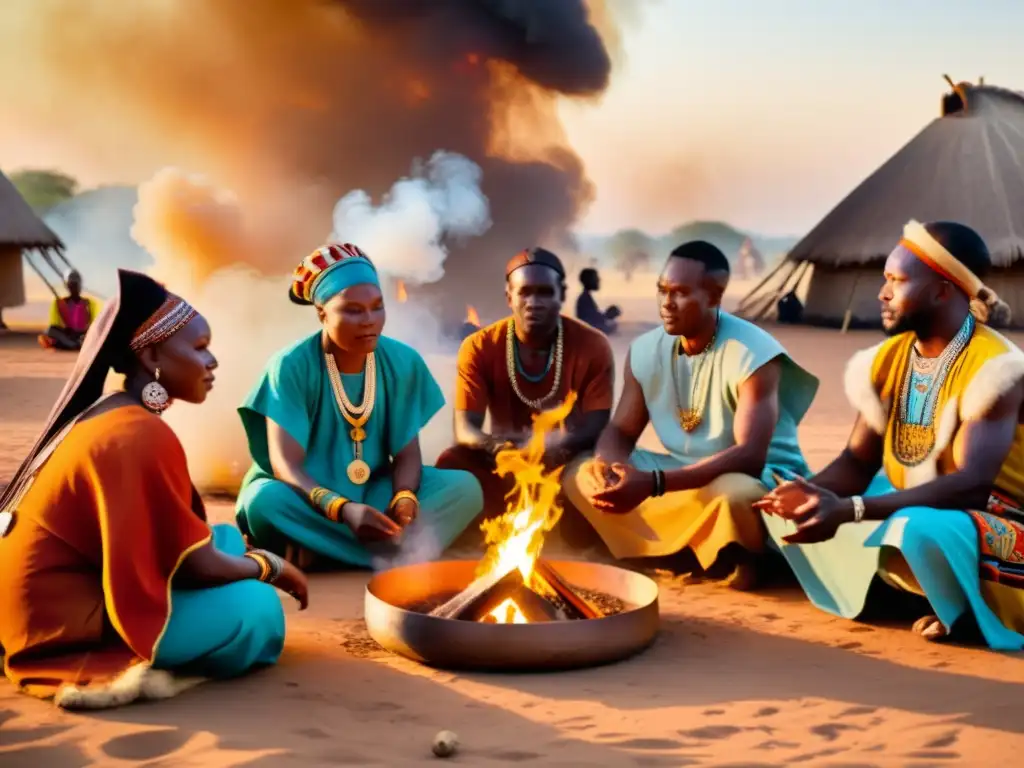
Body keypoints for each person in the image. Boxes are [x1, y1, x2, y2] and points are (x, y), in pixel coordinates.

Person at [0, 269, 303, 708]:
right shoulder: (138, 433)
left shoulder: (115, 410)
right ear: (152, 355)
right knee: (258, 610)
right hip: (60, 623)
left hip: (37, 601)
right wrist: (272, 567)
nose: (213, 361)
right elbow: (197, 567)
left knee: (226, 539)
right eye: (200, 348)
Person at [757, 220, 1024, 648]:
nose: (882, 293)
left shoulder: (997, 369)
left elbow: (971, 485)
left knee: (912, 528)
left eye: (896, 281)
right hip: (923, 506)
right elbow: (857, 461)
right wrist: (809, 493)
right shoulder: (887, 358)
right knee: (794, 508)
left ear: (941, 290)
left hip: (1001, 525)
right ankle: (907, 589)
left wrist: (852, 510)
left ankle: (969, 613)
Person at [564, 241, 819, 586]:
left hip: (756, 475)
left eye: (681, 293)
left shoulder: (754, 354)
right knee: (580, 473)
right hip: (680, 473)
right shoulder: (645, 351)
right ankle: (693, 552)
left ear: (714, 296)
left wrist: (652, 484)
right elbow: (621, 431)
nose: (667, 303)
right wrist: (609, 469)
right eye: (662, 290)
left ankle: (731, 555)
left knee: (736, 496)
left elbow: (749, 455)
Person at [235, 243, 483, 569]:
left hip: (374, 493)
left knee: (466, 488)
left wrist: (404, 498)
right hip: (306, 496)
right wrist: (342, 509)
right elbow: (286, 467)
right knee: (263, 503)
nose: (369, 320)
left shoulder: (402, 361)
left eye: (377, 307)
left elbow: (407, 455)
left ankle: (324, 550)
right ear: (322, 313)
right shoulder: (290, 366)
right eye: (353, 310)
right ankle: (396, 552)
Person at [435, 247, 615, 532]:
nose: (534, 302)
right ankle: (487, 530)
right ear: (509, 297)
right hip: (503, 459)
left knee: (599, 472)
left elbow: (597, 426)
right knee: (450, 462)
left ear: (561, 295)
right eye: (525, 292)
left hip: (566, 459)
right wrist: (497, 448)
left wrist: (551, 446)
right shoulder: (479, 346)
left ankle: (570, 530)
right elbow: (465, 428)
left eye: (545, 292)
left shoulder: (593, 344)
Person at [38, 270, 101, 351]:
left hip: (83, 334)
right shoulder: (60, 302)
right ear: (67, 286)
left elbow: (94, 323)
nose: (73, 288)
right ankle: (73, 344)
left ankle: (73, 344)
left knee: (96, 332)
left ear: (79, 285)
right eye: (71, 285)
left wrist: (87, 331)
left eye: (75, 285)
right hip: (68, 335)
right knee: (50, 330)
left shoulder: (88, 303)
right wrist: (66, 330)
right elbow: (56, 324)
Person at [576, 267, 621, 335]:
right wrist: (607, 315)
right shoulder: (584, 299)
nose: (599, 280)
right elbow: (591, 323)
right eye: (596, 278)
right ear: (589, 280)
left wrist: (606, 315)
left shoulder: (586, 297)